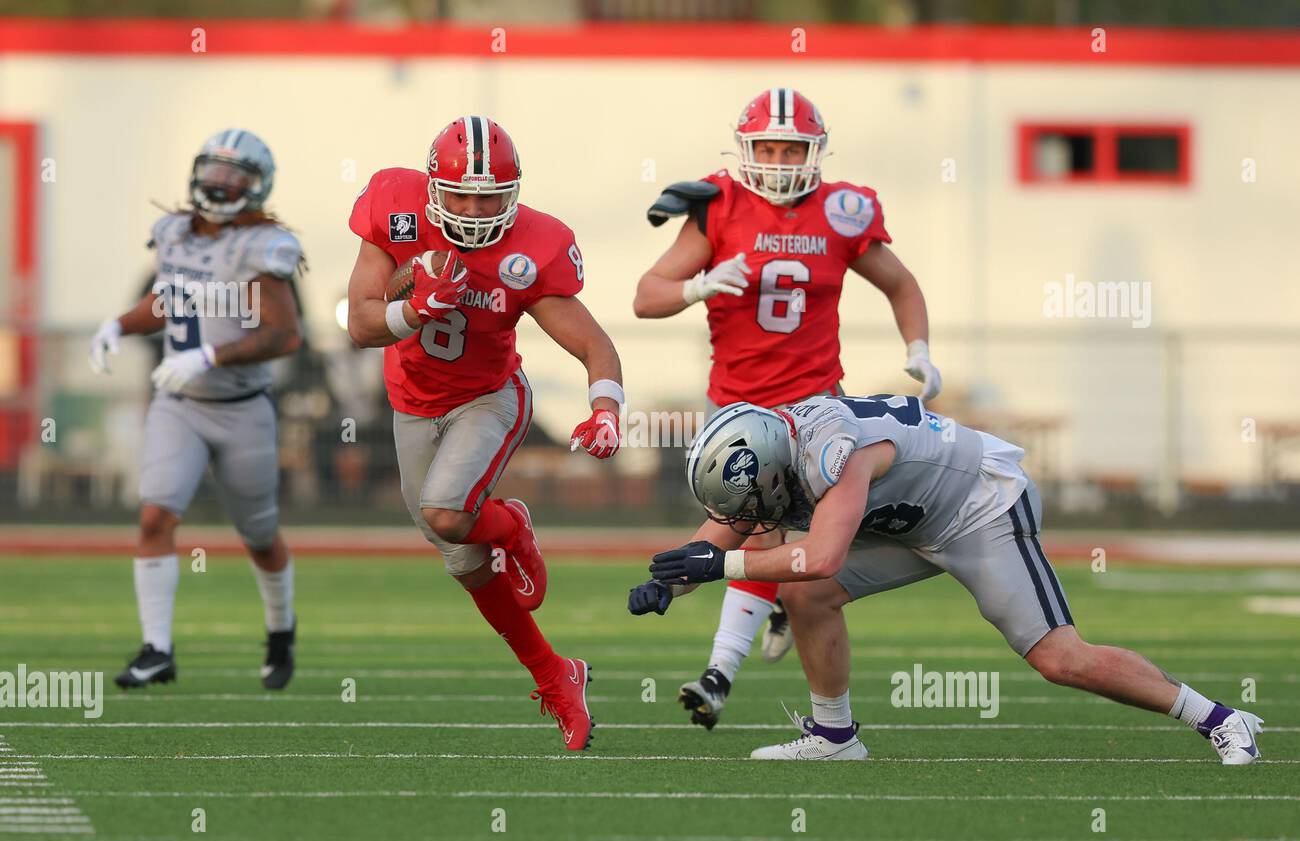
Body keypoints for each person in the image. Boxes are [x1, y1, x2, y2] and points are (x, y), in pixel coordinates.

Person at [630, 395, 1263, 764]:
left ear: (771, 469)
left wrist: (720, 567)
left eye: (748, 503)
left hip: (978, 506)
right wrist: (671, 582)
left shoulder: (833, 454)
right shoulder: (776, 455)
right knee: (804, 596)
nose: (743, 520)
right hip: (913, 520)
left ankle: (1222, 719)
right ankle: (835, 735)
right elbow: (723, 531)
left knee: (1059, 658)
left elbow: (819, 554)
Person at [633, 87, 941, 729]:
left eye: (791, 148)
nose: (777, 159)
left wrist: (918, 347)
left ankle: (720, 673)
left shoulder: (843, 210)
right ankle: (733, 653)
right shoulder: (717, 205)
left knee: (760, 531)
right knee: (751, 527)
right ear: (744, 150)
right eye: (767, 147)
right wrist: (696, 286)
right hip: (737, 404)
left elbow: (900, 282)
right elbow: (646, 297)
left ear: (815, 152)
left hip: (815, 403)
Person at [345, 115, 623, 750]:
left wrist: (605, 410)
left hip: (490, 398)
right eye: (462, 194)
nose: (474, 209)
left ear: (514, 192)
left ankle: (514, 524)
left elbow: (595, 346)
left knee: (447, 513)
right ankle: (558, 676)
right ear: (434, 188)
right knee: (463, 558)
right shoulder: (396, 205)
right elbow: (360, 324)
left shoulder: (532, 248)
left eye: (490, 195)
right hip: (411, 403)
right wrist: (414, 307)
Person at [89, 129, 304, 691]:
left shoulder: (265, 245)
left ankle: (281, 629)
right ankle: (157, 649)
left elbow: (284, 335)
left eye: (235, 176)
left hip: (242, 406)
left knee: (259, 534)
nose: (221, 184)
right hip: (179, 404)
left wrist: (210, 354)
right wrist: (120, 323)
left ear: (257, 187)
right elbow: (167, 300)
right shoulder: (174, 234)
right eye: (215, 170)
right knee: (156, 514)